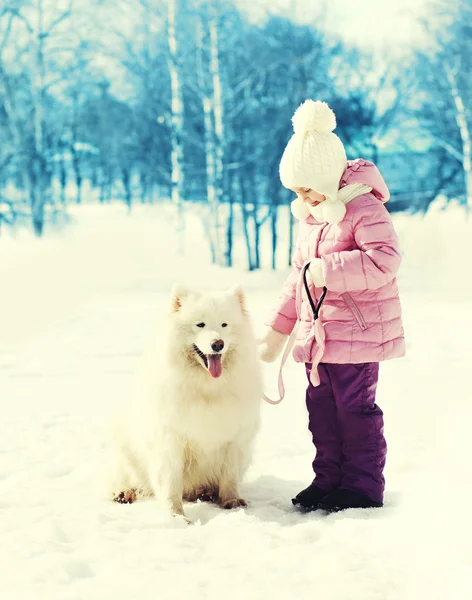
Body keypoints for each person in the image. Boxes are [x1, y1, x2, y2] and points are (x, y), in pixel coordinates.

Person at [259, 100, 405, 513]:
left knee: (354, 413)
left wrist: (330, 269)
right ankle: (328, 480)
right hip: (319, 340)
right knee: (321, 414)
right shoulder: (315, 220)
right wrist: (277, 331)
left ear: (326, 176)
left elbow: (385, 260)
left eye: (307, 188)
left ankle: (361, 486)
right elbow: (298, 279)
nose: (302, 198)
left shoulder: (364, 209)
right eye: (296, 192)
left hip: (357, 335)